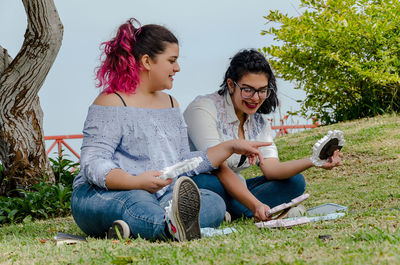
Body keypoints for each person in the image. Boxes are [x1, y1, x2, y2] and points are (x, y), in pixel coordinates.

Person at [71, 20, 271, 242]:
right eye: (172, 61)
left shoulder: (170, 103)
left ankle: (146, 226)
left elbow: (182, 160)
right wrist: (135, 181)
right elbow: (93, 162)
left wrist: (230, 146)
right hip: (107, 194)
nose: (177, 68)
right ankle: (166, 227)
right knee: (136, 201)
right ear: (147, 61)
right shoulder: (111, 102)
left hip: (160, 194)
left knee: (213, 201)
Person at [183, 49, 342, 222]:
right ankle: (249, 210)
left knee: (295, 181)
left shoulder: (258, 120)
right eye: (247, 90)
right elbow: (220, 169)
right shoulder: (203, 109)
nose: (255, 98)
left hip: (237, 187)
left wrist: (314, 161)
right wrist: (256, 205)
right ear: (231, 84)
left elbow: (272, 169)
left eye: (262, 90)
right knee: (211, 185)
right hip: (203, 183)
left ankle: (230, 212)